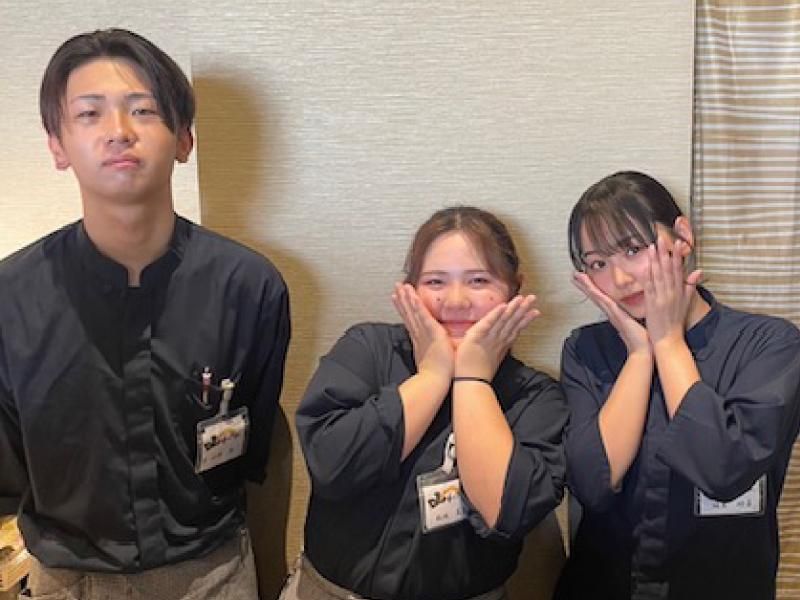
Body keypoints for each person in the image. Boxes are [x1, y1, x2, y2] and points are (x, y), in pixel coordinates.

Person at [0, 29, 290, 599]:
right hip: (69, 578)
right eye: (89, 113)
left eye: (143, 110)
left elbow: (251, 436)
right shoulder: (10, 297)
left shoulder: (249, 286)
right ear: (57, 145)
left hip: (214, 571)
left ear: (183, 139)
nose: (119, 131)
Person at [284, 206, 568, 600]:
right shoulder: (368, 349)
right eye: (435, 281)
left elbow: (508, 514)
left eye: (479, 280)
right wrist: (433, 376)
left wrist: (471, 379)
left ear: (513, 289)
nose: (456, 301)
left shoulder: (535, 395)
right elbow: (332, 466)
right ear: (410, 290)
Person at [554, 171, 800, 600]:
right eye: (597, 264)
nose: (620, 279)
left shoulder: (770, 343)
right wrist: (639, 353)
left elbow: (722, 469)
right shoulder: (586, 349)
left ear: (682, 236)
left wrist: (668, 342)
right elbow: (591, 485)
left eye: (633, 249)